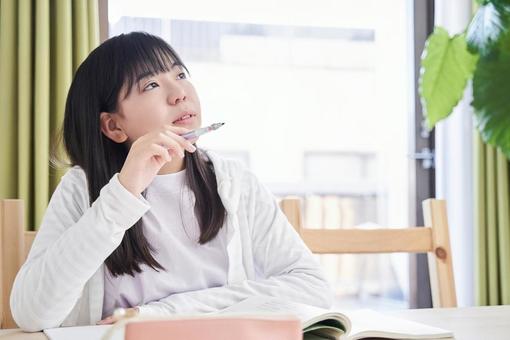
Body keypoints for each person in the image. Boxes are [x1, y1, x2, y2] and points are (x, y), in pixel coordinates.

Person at [10, 31, 333, 332]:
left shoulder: (235, 183)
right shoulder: (82, 188)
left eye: (180, 75)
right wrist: (122, 193)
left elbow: (311, 287)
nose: (179, 94)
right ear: (113, 126)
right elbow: (31, 313)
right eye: (151, 85)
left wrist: (165, 312)